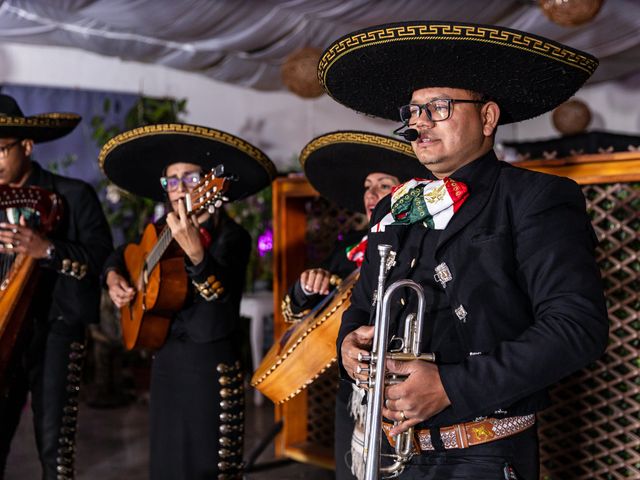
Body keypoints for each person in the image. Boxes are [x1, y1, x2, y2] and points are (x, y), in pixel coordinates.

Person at [318, 21, 609, 479]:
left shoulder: (535, 198)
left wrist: (452, 386)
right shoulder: (395, 208)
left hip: (481, 455)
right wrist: (349, 343)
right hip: (385, 446)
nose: (419, 123)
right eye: (414, 111)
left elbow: (577, 329)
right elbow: (362, 307)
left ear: (488, 117)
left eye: (438, 107)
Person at [99, 123, 276, 479]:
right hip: (166, 361)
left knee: (205, 466)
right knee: (166, 465)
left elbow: (220, 297)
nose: (180, 189)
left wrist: (198, 257)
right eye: (172, 180)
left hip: (207, 365)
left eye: (190, 178)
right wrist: (113, 277)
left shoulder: (232, 237)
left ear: (209, 185)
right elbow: (121, 255)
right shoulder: (157, 233)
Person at [284, 131, 426, 479]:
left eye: (383, 185)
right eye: (367, 185)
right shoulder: (349, 247)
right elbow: (293, 312)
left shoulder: (423, 246)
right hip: (353, 390)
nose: (371, 194)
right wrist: (305, 288)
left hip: (405, 393)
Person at [0, 94, 113, 479]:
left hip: (56, 332)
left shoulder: (74, 194)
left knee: (55, 453)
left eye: (0, 150)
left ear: (27, 146)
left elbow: (102, 259)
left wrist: (46, 249)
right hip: (3, 336)